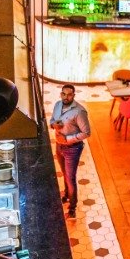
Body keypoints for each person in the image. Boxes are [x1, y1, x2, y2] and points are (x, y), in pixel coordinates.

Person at [50, 84, 90, 219]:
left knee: (70, 178)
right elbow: (52, 120)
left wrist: (67, 138)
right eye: (64, 94)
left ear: (73, 95)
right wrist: (53, 125)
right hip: (59, 146)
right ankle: (66, 195)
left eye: (69, 94)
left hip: (73, 149)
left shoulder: (79, 111)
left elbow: (86, 133)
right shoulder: (57, 105)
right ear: (61, 94)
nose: (66, 97)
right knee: (64, 174)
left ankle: (72, 208)